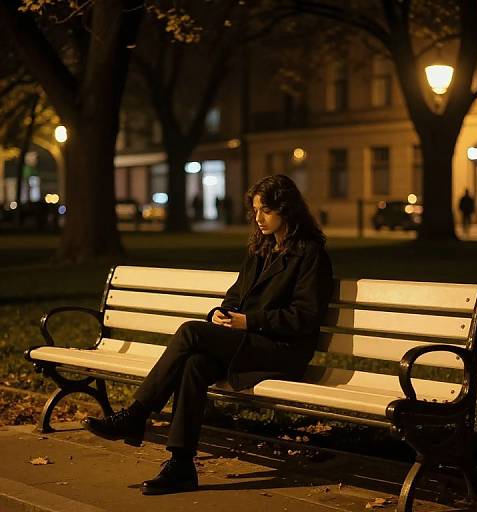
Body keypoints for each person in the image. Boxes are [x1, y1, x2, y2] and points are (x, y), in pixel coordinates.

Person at [81, 174, 333, 495]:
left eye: (266, 210)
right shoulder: (260, 249)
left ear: (287, 209)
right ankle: (181, 465)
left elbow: (305, 318)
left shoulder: (310, 254)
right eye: (255, 211)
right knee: (194, 364)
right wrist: (220, 313)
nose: (258, 218)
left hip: (282, 350)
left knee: (190, 332)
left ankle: (137, 414)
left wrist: (248, 322)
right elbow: (234, 296)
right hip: (250, 342)